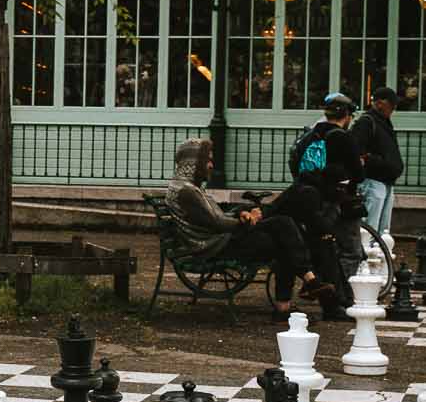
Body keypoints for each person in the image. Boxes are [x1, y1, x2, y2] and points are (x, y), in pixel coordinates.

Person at [163, 140, 334, 323]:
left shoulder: (185, 187)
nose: (211, 165)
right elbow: (217, 222)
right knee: (283, 231)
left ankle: (303, 288)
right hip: (215, 246)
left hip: (217, 240)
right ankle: (304, 285)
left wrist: (242, 213)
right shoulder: (188, 192)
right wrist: (246, 220)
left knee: (283, 232)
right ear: (192, 163)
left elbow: (213, 217)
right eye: (207, 161)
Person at [280, 92, 365, 293]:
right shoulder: (344, 138)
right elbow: (358, 174)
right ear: (347, 116)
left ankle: (317, 283)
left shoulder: (309, 135)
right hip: (340, 200)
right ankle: (343, 294)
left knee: (322, 244)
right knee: (350, 250)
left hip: (313, 201)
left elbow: (296, 164)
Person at [352, 86, 403, 236]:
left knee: (382, 230)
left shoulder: (383, 122)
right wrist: (375, 161)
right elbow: (357, 151)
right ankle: (368, 256)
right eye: (391, 104)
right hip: (373, 181)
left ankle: (378, 255)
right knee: (370, 228)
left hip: (385, 181)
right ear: (380, 103)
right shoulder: (367, 122)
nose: (393, 108)